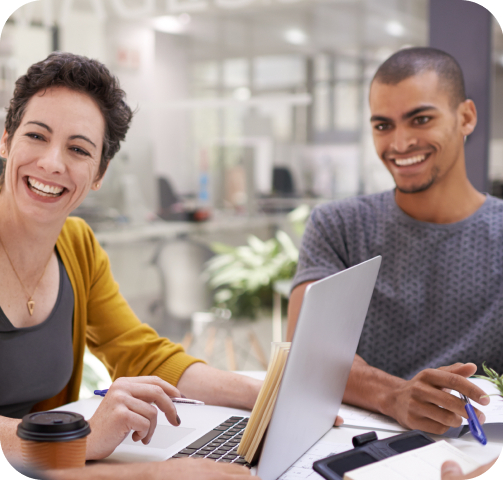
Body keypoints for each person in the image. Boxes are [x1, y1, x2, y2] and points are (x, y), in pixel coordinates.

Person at [0, 51, 262, 478]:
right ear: (6, 139)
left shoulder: (78, 245)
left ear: (99, 173)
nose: (52, 162)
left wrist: (267, 396)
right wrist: (121, 461)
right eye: (36, 136)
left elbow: (140, 353)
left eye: (79, 149)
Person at [287, 47, 502, 435]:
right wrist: (396, 395)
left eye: (420, 119)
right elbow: (306, 353)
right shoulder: (338, 225)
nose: (400, 143)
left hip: (481, 447)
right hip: (356, 444)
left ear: (466, 117)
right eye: (383, 126)